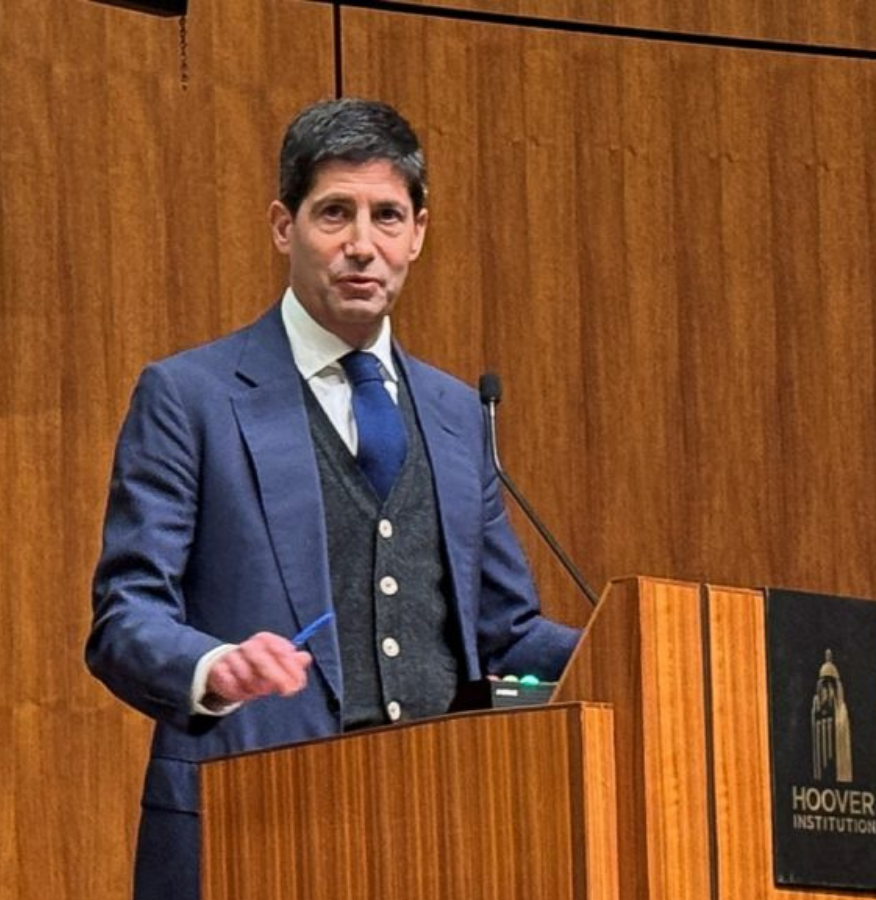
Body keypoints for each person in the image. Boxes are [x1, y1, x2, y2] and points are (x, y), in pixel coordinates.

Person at [85, 98, 580, 900]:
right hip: (255, 820)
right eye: (334, 214)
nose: (362, 245)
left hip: (445, 826)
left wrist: (629, 648)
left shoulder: (456, 414)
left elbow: (505, 629)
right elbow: (126, 614)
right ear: (285, 227)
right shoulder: (190, 396)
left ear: (418, 232)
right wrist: (214, 665)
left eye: (388, 216)